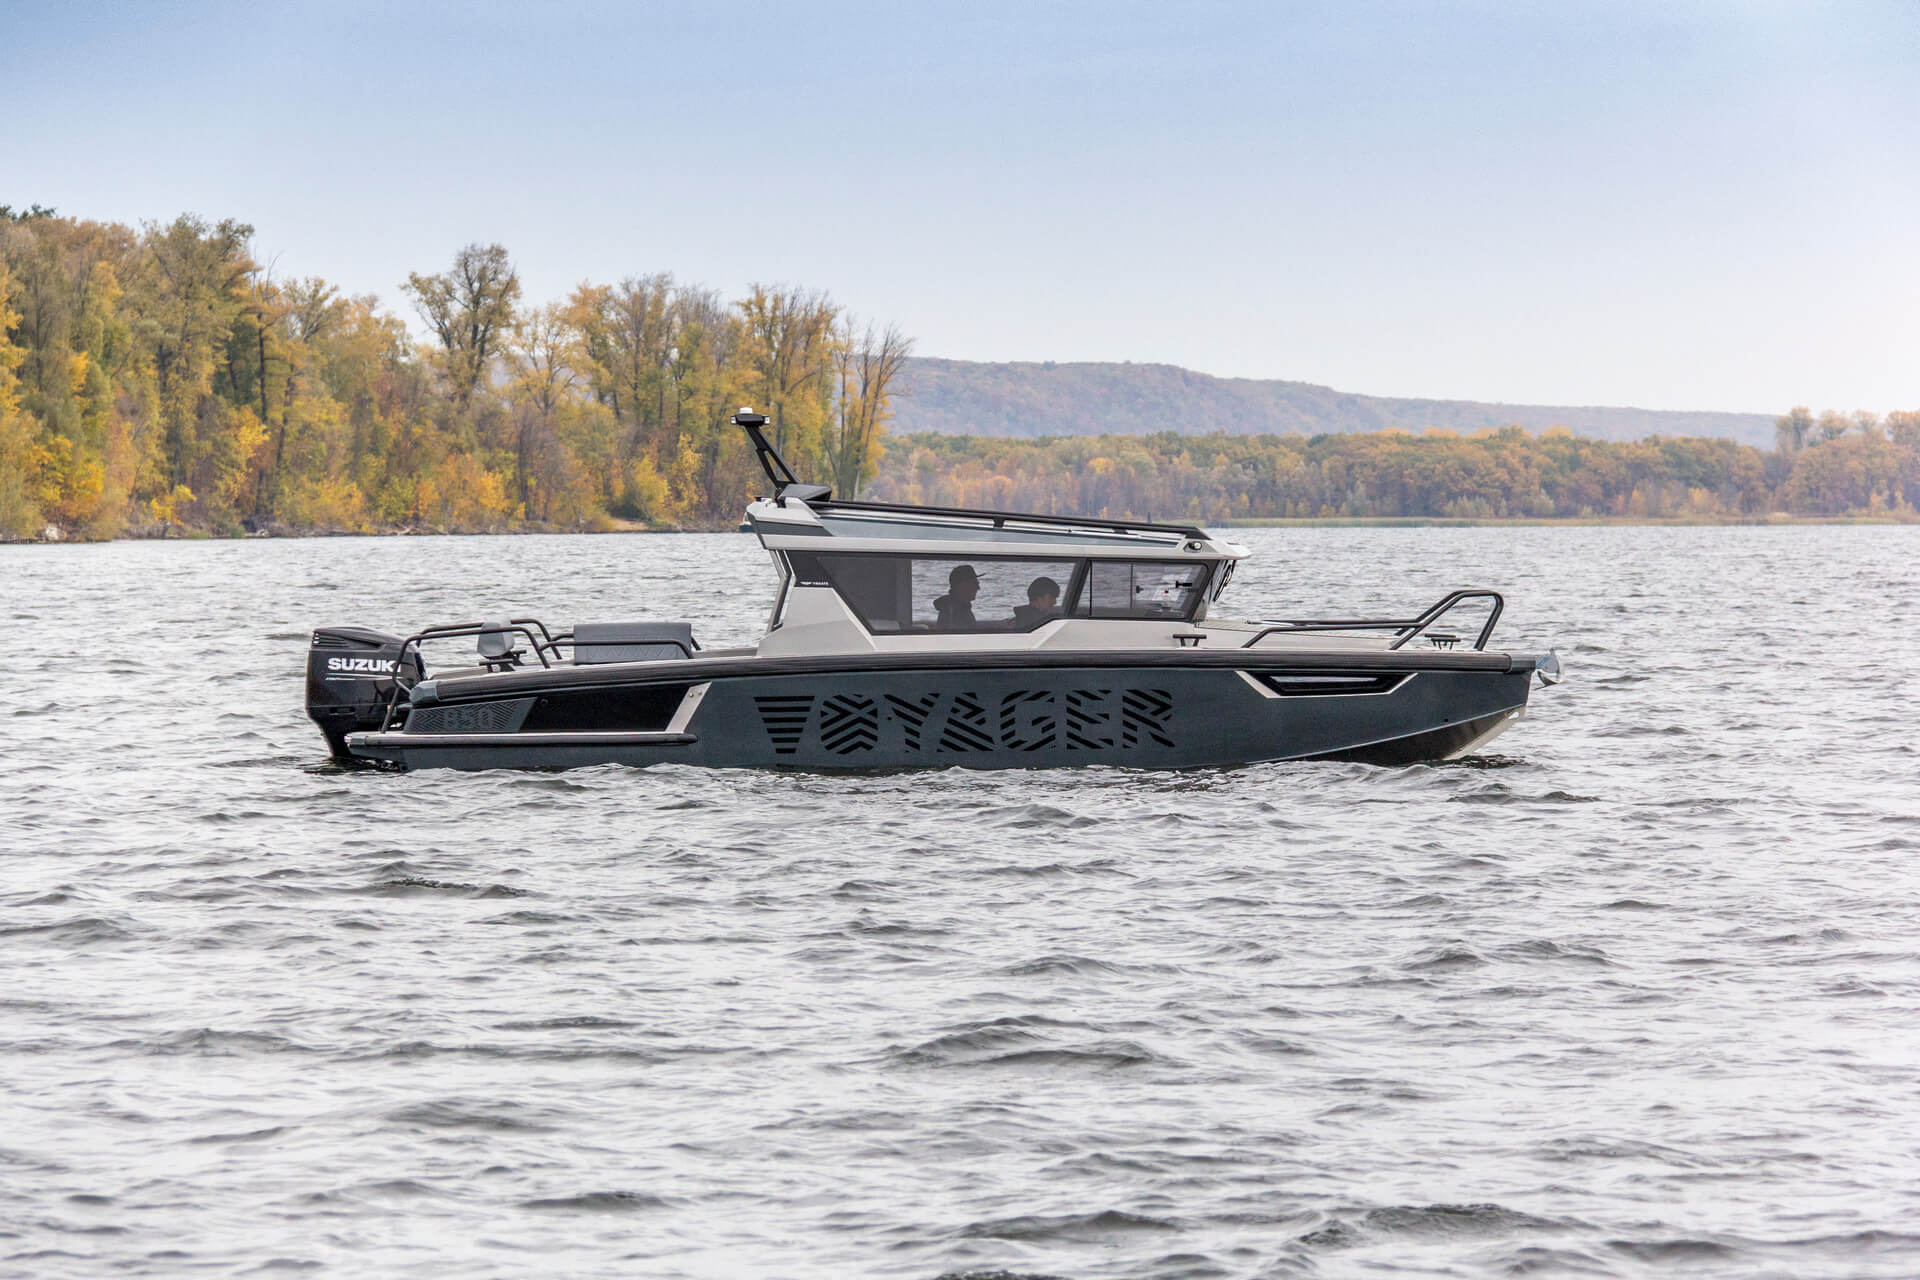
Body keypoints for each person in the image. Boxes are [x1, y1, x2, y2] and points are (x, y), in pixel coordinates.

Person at [932, 564, 980, 630]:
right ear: (962, 585)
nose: (978, 588)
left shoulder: (960, 606)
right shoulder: (953, 610)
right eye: (975, 583)